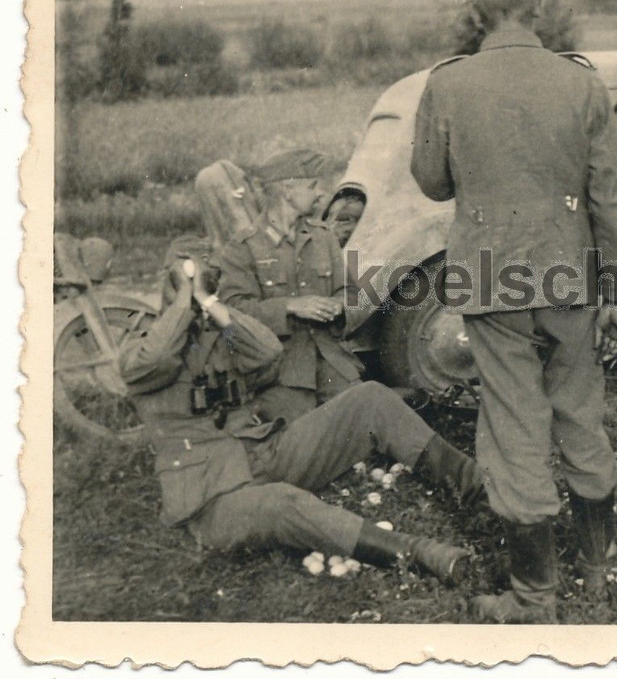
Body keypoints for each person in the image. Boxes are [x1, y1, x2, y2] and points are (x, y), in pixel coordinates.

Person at [410, 0, 617, 622]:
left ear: (476, 14)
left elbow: (431, 181)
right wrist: (616, 289)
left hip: (489, 274)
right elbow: (611, 197)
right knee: (579, 411)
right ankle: (596, 575)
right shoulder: (580, 82)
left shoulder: (447, 83)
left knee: (513, 428)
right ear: (538, 10)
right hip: (570, 272)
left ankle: (534, 597)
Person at [119, 236, 483, 581]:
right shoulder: (140, 343)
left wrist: (212, 303)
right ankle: (422, 555)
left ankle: (477, 486)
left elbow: (267, 351)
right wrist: (183, 299)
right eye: (184, 283)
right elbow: (158, 359)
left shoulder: (219, 330)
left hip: (267, 456)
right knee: (283, 504)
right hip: (213, 498)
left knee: (370, 399)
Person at [216, 148, 365, 422]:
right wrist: (290, 307)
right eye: (312, 186)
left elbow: (355, 295)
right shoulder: (243, 248)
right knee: (298, 441)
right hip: (281, 373)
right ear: (287, 191)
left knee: (365, 420)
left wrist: (340, 307)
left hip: (333, 362)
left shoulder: (323, 238)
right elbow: (230, 313)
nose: (321, 194)